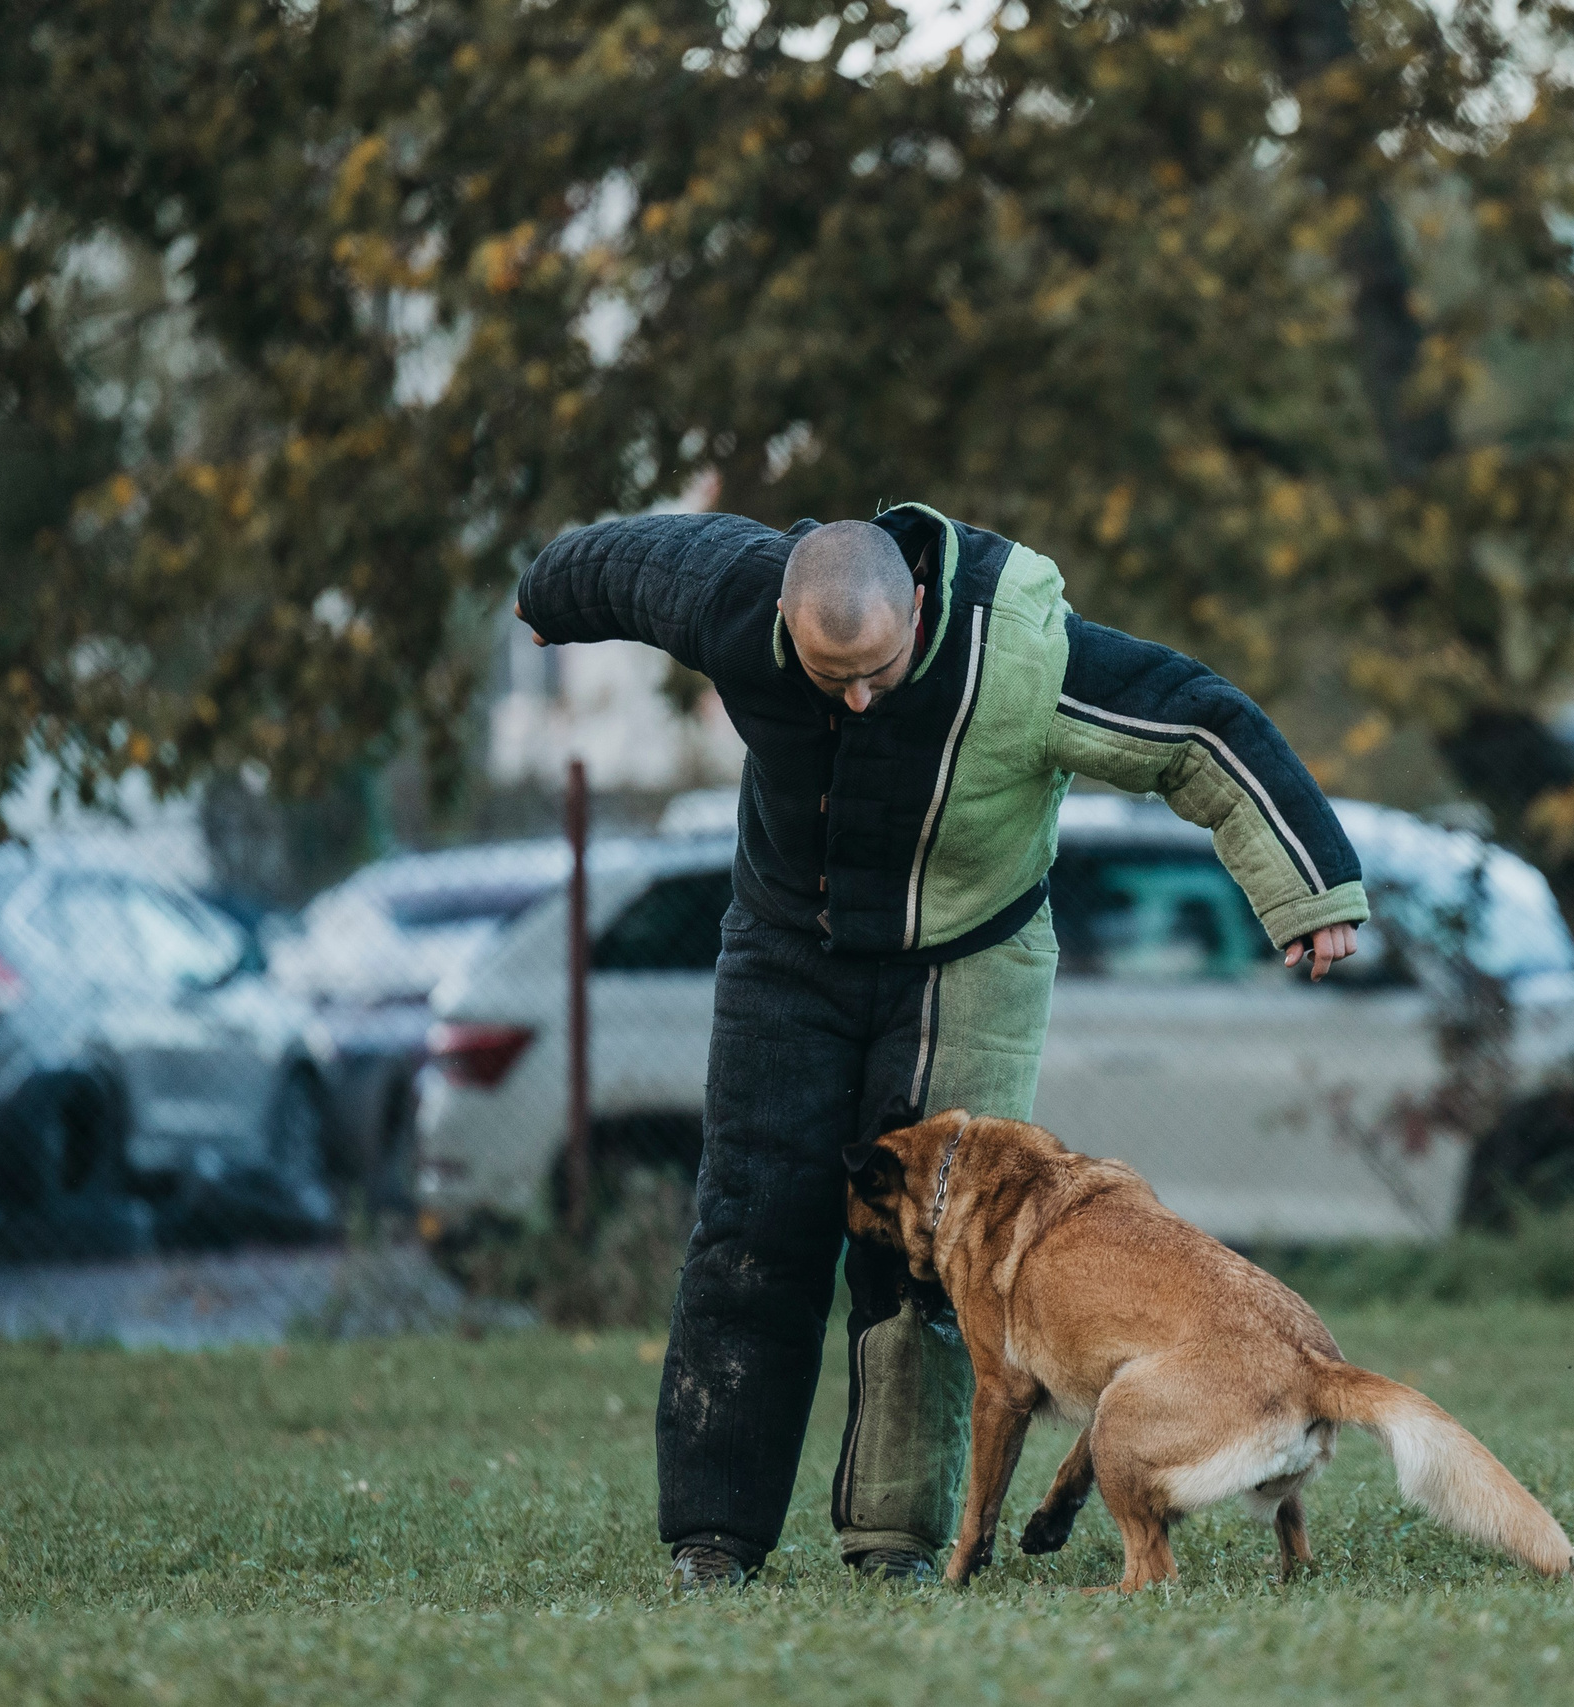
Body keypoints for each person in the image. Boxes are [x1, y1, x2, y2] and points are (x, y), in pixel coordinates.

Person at [514, 502, 1367, 1586]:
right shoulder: (733, 600)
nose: (859, 698)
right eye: (834, 680)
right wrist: (545, 599)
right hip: (786, 947)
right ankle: (713, 1537)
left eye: (877, 668)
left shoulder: (1017, 653)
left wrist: (1306, 890)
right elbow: (630, 564)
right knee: (749, 1225)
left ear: (917, 605)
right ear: (783, 620)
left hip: (968, 957)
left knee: (936, 1257)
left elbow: (1197, 728)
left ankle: (898, 1539)